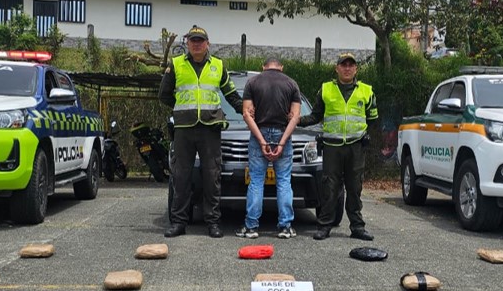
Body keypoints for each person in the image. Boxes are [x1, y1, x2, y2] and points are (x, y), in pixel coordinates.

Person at [159, 26, 243, 238]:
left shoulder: (218, 65)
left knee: (212, 176)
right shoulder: (176, 64)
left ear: (207, 43)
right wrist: (183, 110)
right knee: (181, 176)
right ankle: (179, 222)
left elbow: (231, 93)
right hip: (184, 130)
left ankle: (213, 222)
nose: (197, 44)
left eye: (200, 40)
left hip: (210, 129)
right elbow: (164, 95)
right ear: (187, 43)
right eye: (193, 40)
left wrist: (246, 109)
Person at [299, 52, 378, 241]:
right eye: (344, 65)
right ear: (337, 68)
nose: (347, 68)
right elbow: (315, 116)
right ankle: (325, 225)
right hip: (332, 146)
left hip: (356, 147)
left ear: (356, 69)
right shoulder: (326, 89)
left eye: (351, 65)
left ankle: (357, 227)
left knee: (354, 187)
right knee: (330, 188)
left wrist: (367, 137)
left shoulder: (366, 91)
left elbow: (373, 119)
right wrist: (296, 120)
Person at [236, 57, 302, 240]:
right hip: (283, 133)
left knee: (256, 181)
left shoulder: (253, 82)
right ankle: (285, 226)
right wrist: (282, 142)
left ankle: (251, 227)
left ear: (263, 67)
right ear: (281, 67)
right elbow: (295, 117)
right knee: (283, 181)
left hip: (260, 133)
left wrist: (261, 140)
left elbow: (247, 115)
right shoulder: (291, 84)